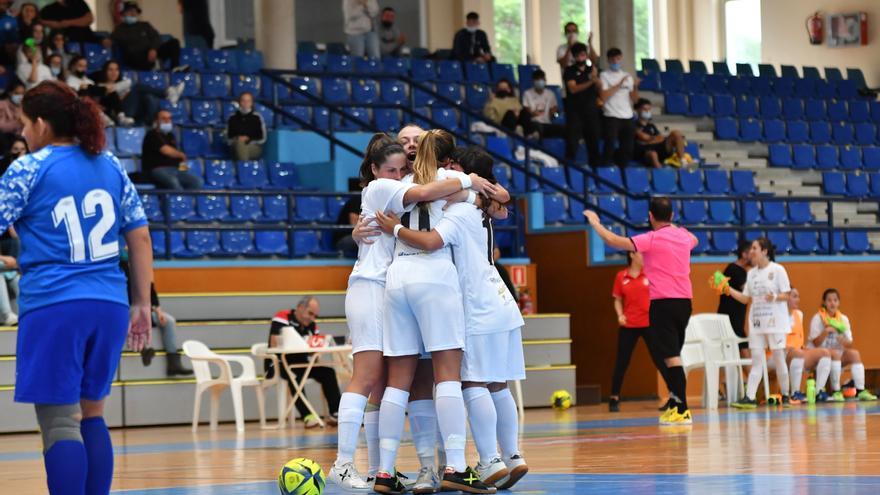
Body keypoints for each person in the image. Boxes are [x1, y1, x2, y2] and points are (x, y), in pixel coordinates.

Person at [2, 80, 152, 495]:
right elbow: (139, 236)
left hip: (54, 304)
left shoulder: (29, 168)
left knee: (59, 421)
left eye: (25, 126)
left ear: (42, 124)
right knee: (92, 415)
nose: (23, 134)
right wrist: (141, 303)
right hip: (108, 303)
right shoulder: (109, 164)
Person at [327, 134, 494, 492]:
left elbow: (493, 203)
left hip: (394, 283)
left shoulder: (421, 185)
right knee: (392, 375)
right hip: (385, 282)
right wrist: (472, 182)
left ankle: (387, 470)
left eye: (402, 166)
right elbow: (475, 202)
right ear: (374, 170)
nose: (396, 173)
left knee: (401, 381)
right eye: (390, 168)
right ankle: (451, 465)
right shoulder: (395, 188)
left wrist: (481, 193)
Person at [373, 146, 528, 490]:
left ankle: (489, 460)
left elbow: (431, 241)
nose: (449, 169)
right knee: (498, 384)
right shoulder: (476, 204)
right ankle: (513, 454)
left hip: (476, 305)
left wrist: (396, 229)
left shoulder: (456, 209)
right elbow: (502, 205)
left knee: (472, 383)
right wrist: (481, 190)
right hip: (500, 299)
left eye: (455, 166)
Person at [584, 197, 698, 425]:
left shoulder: (651, 239)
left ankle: (683, 409)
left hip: (663, 303)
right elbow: (694, 239)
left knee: (672, 357)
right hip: (685, 302)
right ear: (673, 216)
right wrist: (675, 228)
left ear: (650, 217)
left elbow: (614, 240)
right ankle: (676, 403)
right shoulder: (684, 235)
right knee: (670, 355)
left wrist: (595, 223)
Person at [720, 238, 793, 408]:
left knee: (779, 358)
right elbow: (746, 299)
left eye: (755, 248)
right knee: (757, 361)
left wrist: (774, 297)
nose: (751, 252)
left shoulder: (778, 270)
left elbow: (787, 294)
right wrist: (728, 289)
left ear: (765, 251)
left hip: (775, 323)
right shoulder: (751, 273)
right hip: (757, 323)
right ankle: (750, 397)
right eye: (751, 248)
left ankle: (787, 395)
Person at [266, 296, 342, 428]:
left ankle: (336, 413)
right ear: (300, 308)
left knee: (328, 372)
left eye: (315, 315)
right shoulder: (283, 317)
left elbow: (315, 350)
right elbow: (274, 344)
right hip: (280, 363)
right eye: (310, 313)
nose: (312, 318)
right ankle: (307, 416)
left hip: (303, 363)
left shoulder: (312, 325)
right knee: (295, 376)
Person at [119, 254, 192, 376]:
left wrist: (159, 312)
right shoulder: (121, 272)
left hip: (145, 312)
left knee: (169, 320)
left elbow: (151, 294)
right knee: (133, 315)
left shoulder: (143, 272)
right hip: (126, 311)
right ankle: (144, 348)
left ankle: (173, 363)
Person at [808, 289, 878, 402]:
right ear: (824, 302)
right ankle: (836, 391)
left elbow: (850, 344)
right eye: (829, 300)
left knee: (854, 354)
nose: (832, 303)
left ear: (838, 302)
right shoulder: (818, 318)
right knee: (834, 353)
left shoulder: (843, 319)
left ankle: (860, 390)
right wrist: (826, 331)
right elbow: (815, 343)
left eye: (835, 300)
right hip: (820, 356)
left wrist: (842, 340)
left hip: (837, 357)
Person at [608, 251, 656, 413]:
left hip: (649, 323)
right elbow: (617, 300)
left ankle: (673, 395)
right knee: (622, 361)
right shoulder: (621, 276)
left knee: (660, 359)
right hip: (629, 325)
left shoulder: (649, 274)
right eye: (641, 254)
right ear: (632, 255)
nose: (644, 256)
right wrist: (620, 315)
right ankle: (614, 397)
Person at [785, 288, 832, 402]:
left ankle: (819, 392)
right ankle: (795, 393)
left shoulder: (799, 314)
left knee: (825, 353)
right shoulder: (777, 315)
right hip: (780, 353)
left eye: (798, 296)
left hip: (797, 352)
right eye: (794, 296)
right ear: (785, 297)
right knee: (798, 353)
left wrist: (802, 348)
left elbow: (798, 338)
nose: (798, 299)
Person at [111, 2, 182, 71]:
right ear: (123, 14)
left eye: (135, 11)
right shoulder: (119, 29)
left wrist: (153, 49)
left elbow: (156, 37)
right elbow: (111, 40)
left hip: (152, 52)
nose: (133, 13)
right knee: (133, 54)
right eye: (130, 11)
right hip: (135, 57)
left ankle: (174, 68)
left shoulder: (145, 25)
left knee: (174, 42)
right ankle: (155, 66)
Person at [141, 110, 203, 190]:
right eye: (163, 118)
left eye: (169, 118)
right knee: (173, 182)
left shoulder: (171, 136)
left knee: (197, 181)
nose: (167, 121)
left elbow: (181, 158)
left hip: (175, 169)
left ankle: (187, 201)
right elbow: (166, 150)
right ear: (156, 121)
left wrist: (184, 169)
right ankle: (179, 201)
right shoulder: (151, 135)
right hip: (157, 169)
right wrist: (181, 155)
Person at [599, 48, 639, 167]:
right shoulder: (604, 75)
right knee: (610, 144)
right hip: (611, 116)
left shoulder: (628, 76)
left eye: (618, 58)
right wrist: (619, 84)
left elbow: (635, 99)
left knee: (628, 147)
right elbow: (604, 96)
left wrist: (635, 87)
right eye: (613, 59)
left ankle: (622, 169)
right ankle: (605, 167)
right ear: (608, 60)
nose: (616, 61)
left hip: (627, 116)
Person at [563, 42, 601, 166]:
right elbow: (573, 88)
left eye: (584, 55)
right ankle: (569, 168)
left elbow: (599, 88)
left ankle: (595, 170)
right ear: (574, 57)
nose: (581, 57)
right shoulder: (569, 70)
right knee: (572, 142)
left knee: (593, 143)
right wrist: (591, 81)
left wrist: (596, 80)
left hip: (591, 111)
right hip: (575, 112)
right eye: (578, 55)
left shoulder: (592, 70)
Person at [634, 98, 693, 168]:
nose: (647, 111)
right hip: (643, 153)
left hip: (658, 149)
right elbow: (644, 137)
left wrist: (650, 140)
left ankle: (684, 163)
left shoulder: (651, 126)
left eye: (649, 109)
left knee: (676, 134)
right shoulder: (633, 125)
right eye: (644, 109)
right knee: (653, 154)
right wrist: (652, 139)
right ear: (637, 110)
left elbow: (660, 138)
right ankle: (661, 174)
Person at [717, 240, 751, 356]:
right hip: (731, 319)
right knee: (742, 351)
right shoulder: (734, 270)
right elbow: (747, 293)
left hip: (735, 319)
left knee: (738, 353)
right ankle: (755, 374)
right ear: (744, 254)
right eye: (751, 252)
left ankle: (754, 374)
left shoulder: (739, 270)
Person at [521, 69, 565, 139]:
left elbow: (554, 109)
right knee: (537, 127)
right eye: (537, 80)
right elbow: (526, 111)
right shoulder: (527, 94)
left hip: (546, 123)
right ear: (533, 81)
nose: (540, 82)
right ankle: (535, 138)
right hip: (533, 123)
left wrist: (554, 111)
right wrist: (533, 113)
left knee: (563, 129)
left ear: (545, 80)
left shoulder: (550, 94)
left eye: (541, 79)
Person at [226, 92, 266, 161]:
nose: (246, 103)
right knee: (240, 145)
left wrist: (248, 139)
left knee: (243, 148)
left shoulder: (257, 117)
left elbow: (262, 138)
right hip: (235, 146)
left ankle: (242, 167)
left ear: (252, 103)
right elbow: (228, 138)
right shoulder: (232, 118)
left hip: (253, 147)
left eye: (248, 101)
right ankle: (245, 168)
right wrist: (238, 138)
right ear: (239, 102)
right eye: (243, 100)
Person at [0, 83, 24, 147]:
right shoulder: (2, 104)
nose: (20, 96)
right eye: (17, 93)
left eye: (22, 93)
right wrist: (18, 121)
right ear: (10, 93)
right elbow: (1, 127)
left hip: (22, 138)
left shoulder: (24, 106)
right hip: (6, 139)